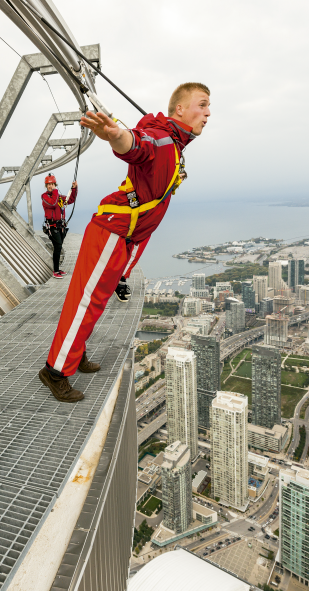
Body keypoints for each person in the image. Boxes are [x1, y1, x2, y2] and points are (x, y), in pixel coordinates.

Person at [38, 83, 211, 403]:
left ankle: (73, 355)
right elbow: (135, 144)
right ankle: (55, 371)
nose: (208, 113)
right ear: (180, 110)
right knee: (85, 301)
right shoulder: (162, 141)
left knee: (94, 303)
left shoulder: (173, 143)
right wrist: (115, 135)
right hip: (111, 232)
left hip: (123, 236)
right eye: (201, 105)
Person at [40, 174, 77, 277]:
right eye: (48, 185)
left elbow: (70, 200)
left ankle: (57, 270)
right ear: (46, 186)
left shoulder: (59, 197)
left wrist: (74, 189)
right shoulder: (45, 197)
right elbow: (52, 203)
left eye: (52, 184)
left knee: (58, 247)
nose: (50, 186)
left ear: (54, 184)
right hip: (52, 227)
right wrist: (55, 191)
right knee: (58, 246)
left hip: (60, 226)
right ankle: (55, 271)